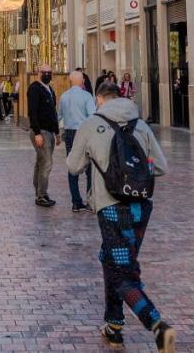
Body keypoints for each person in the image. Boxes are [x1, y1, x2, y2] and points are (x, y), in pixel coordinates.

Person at [67, 79, 174, 352]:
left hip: (111, 207)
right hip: (141, 206)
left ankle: (157, 325)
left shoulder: (91, 123)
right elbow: (160, 167)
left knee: (122, 274)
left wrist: (99, 157)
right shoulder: (140, 124)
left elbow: (73, 165)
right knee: (112, 260)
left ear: (99, 99)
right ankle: (114, 325)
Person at [58, 68, 97, 212]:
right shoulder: (87, 96)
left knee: (72, 166)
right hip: (85, 133)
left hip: (70, 134)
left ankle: (75, 201)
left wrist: (59, 133)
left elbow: (59, 116)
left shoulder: (64, 96)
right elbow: (93, 116)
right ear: (82, 81)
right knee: (90, 167)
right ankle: (90, 199)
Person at [27, 64, 60, 208]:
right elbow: (32, 112)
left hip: (49, 131)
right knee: (47, 163)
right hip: (41, 132)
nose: (47, 74)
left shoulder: (50, 89)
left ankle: (40, 193)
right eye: (44, 72)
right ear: (38, 73)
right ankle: (41, 195)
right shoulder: (35, 88)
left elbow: (53, 112)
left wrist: (57, 132)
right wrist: (37, 133)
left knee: (41, 162)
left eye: (49, 72)